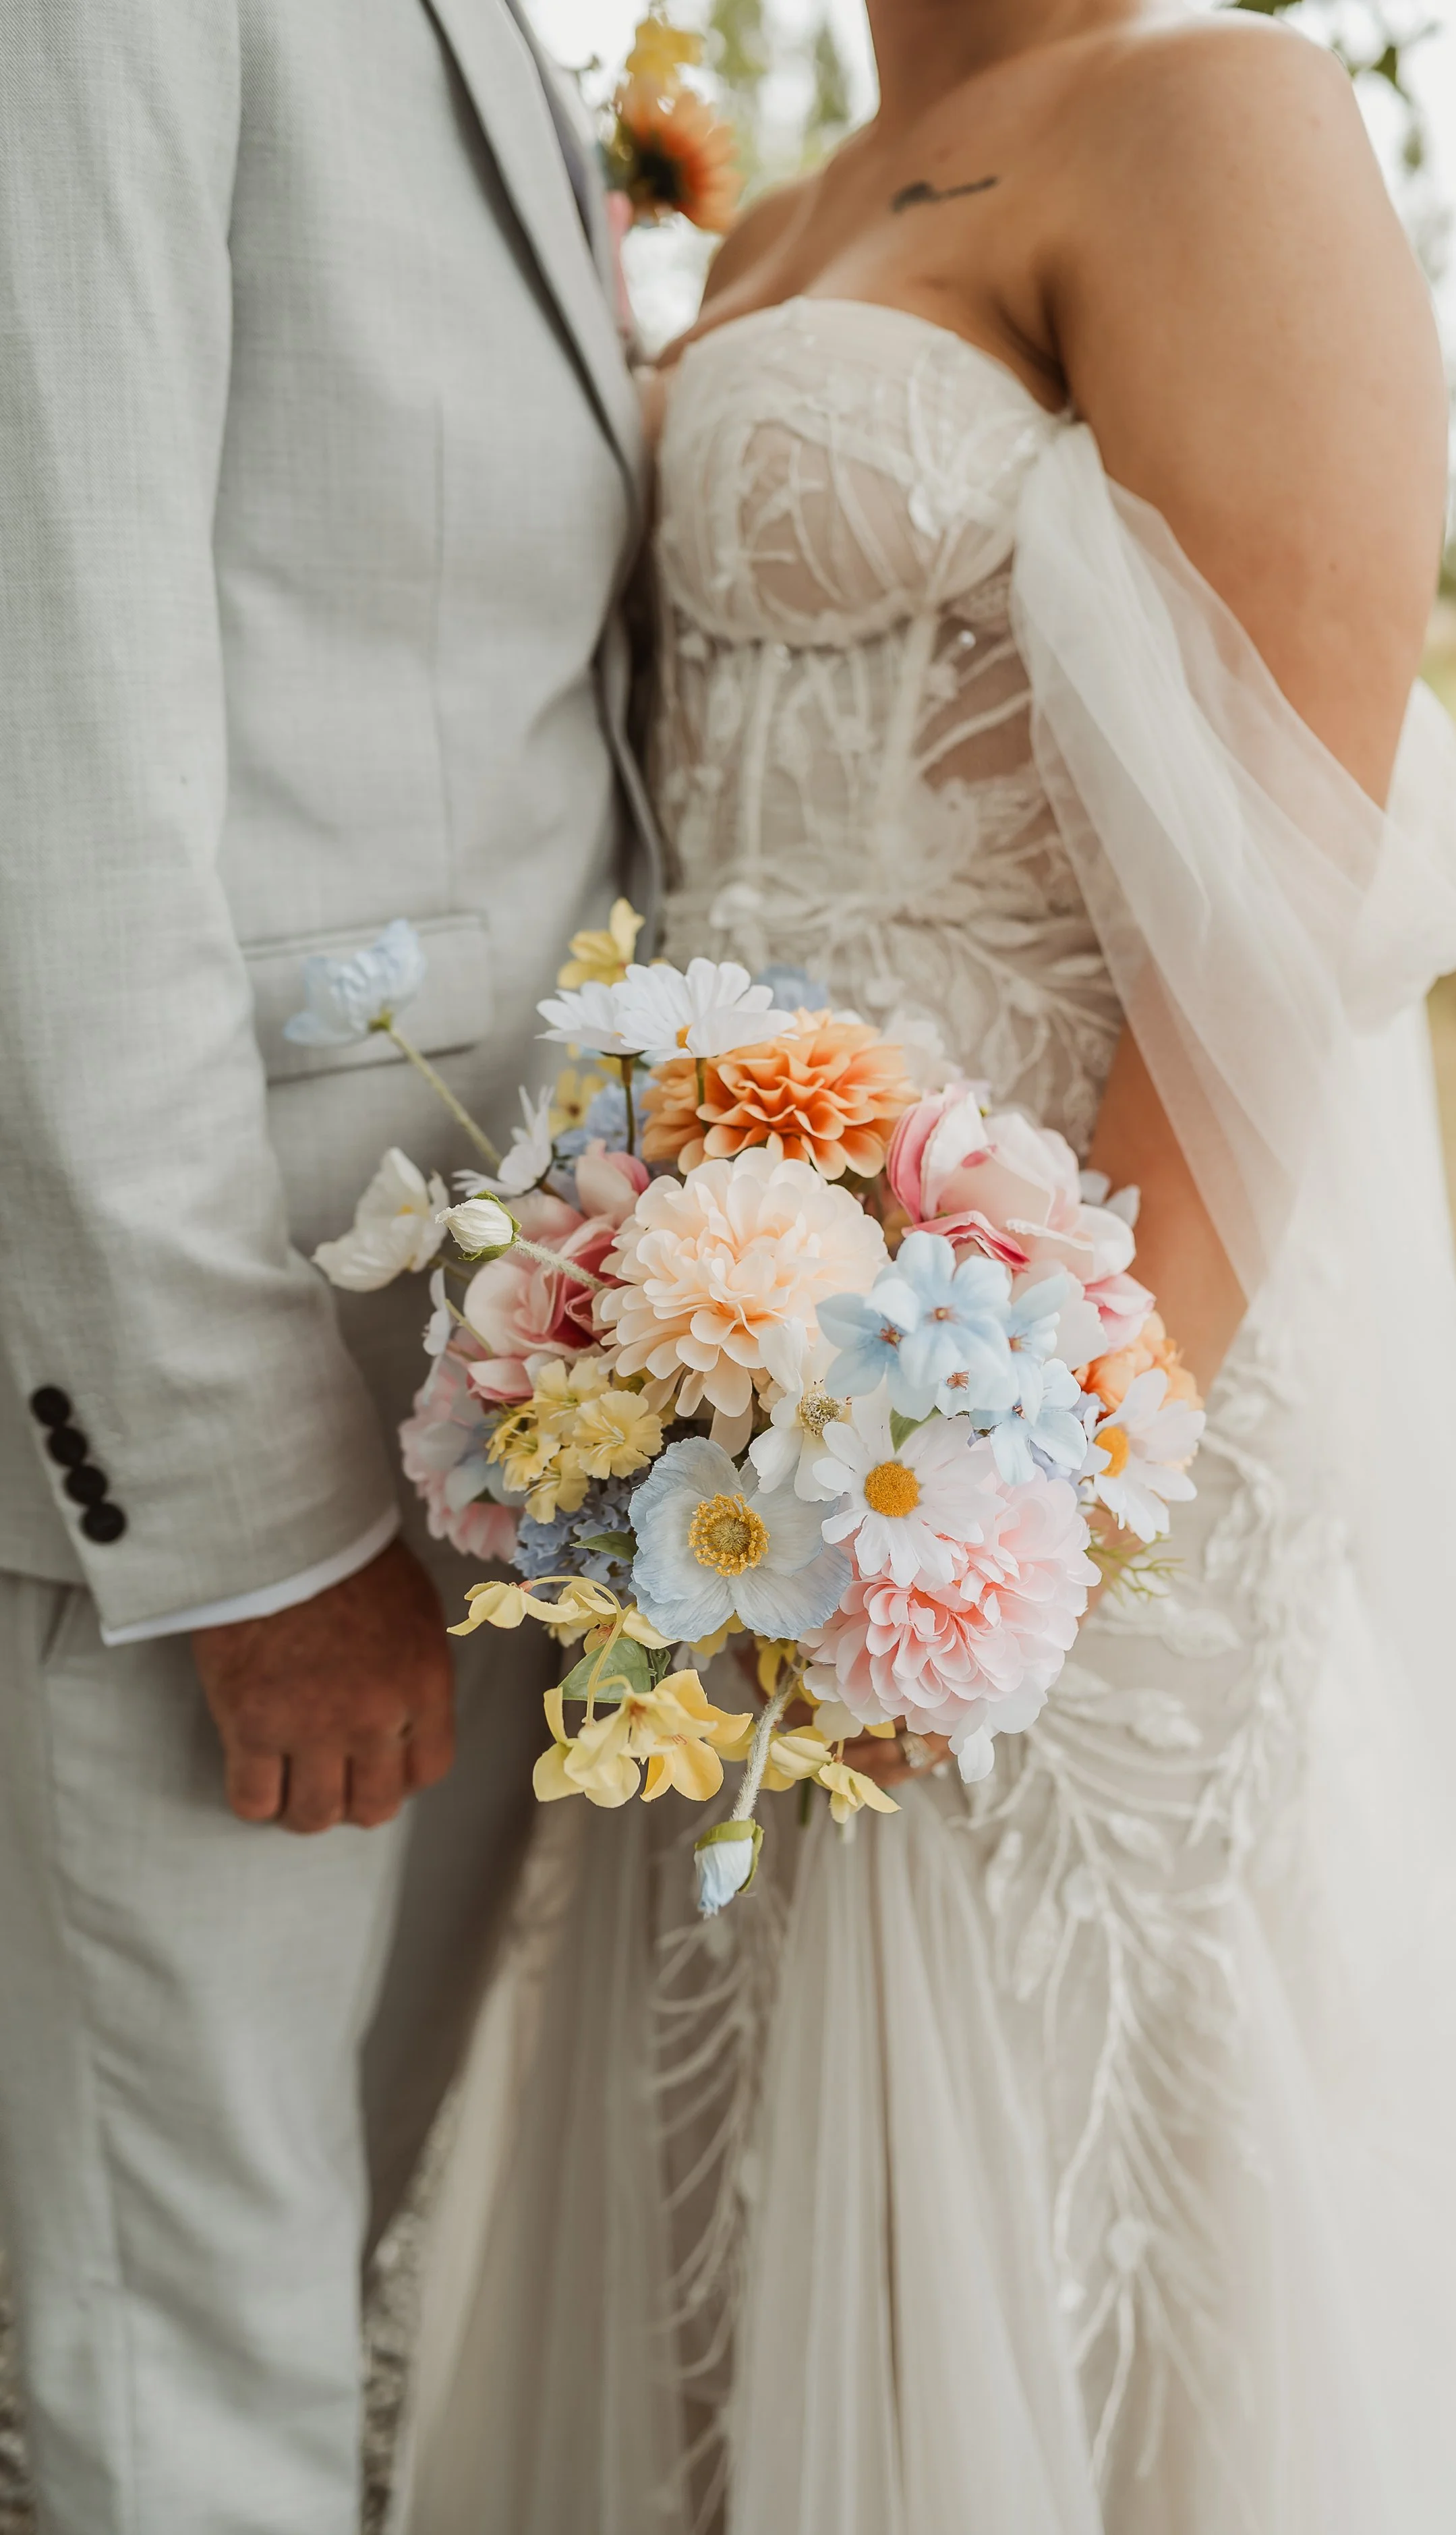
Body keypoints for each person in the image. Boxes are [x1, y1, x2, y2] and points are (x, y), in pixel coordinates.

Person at [397, 5, 1456, 2532]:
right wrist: (635, 1331)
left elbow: (1279, 890)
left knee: (1075, 2116)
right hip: (713, 1367)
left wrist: (1026, 1496)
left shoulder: (1212, 112)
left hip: (1057, 1351)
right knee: (737, 2111)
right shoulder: (797, 189)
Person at [0, 2, 653, 2526]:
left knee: (304, 2271)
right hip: (223, 1450)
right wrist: (256, 1519)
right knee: (199, 2384)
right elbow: (52, 795)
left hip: (483, 1404)